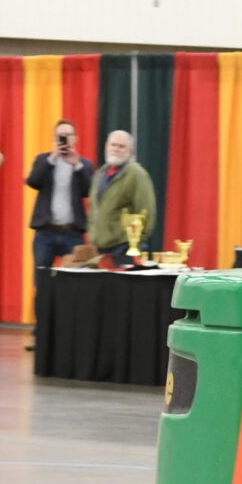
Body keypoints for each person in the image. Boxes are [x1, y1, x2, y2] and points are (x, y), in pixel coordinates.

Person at [23, 120, 93, 339]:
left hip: (73, 233)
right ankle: (42, 331)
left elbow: (90, 190)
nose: (64, 140)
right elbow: (33, 181)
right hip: (46, 233)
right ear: (54, 139)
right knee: (42, 283)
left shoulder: (84, 164)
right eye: (60, 136)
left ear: (75, 139)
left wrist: (76, 165)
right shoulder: (43, 160)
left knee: (74, 284)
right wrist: (52, 158)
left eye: (68, 136)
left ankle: (70, 330)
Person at [88, 130, 157, 261]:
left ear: (130, 151)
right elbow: (93, 209)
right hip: (99, 250)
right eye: (113, 145)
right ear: (106, 146)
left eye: (121, 146)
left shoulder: (137, 175)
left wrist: (136, 245)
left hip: (123, 248)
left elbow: (146, 212)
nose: (116, 149)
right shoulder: (99, 174)